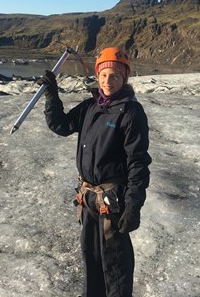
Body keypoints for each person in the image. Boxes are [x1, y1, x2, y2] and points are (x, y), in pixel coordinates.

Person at [39, 46, 151, 297]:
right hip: (88, 198)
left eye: (114, 76)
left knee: (115, 263)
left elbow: (138, 162)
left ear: (124, 78)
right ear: (98, 77)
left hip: (113, 201)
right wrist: (51, 96)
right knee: (91, 257)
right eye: (103, 76)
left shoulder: (131, 113)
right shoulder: (91, 106)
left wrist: (134, 204)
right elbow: (62, 125)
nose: (108, 81)